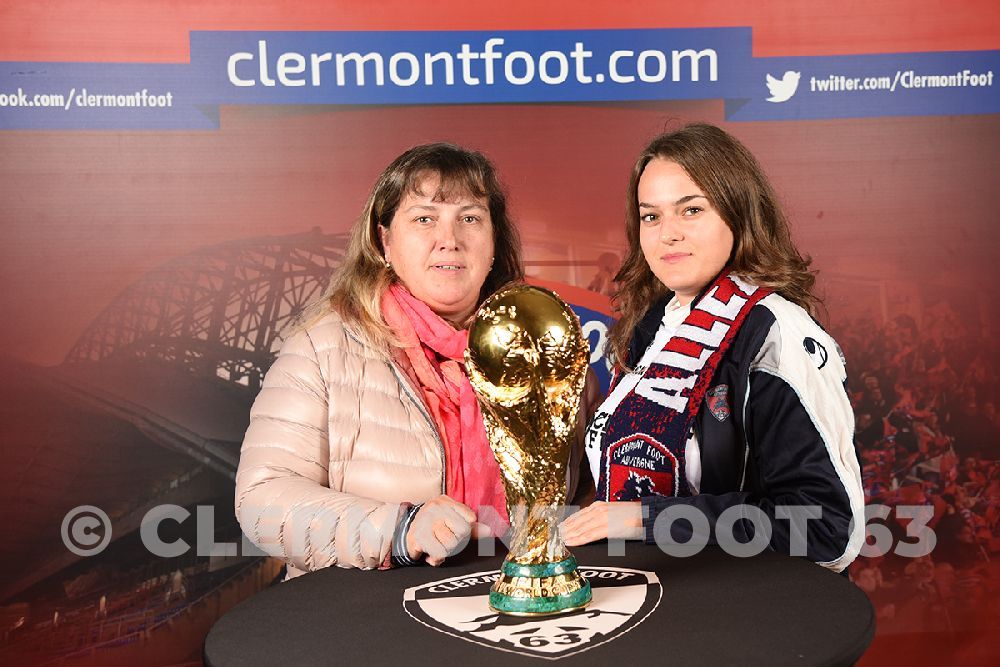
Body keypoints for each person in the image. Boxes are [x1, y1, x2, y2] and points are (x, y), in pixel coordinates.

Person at [236, 143, 596, 577]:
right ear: (385, 241)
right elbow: (262, 500)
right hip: (371, 624)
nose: (450, 240)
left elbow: (587, 494)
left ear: (494, 242)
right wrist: (399, 529)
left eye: (470, 218)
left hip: (518, 618)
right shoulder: (323, 347)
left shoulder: (543, 344)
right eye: (424, 218)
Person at [561, 124, 865, 572]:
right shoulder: (650, 325)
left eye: (691, 210)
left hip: (734, 615)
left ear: (737, 213)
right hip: (644, 602)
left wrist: (649, 519)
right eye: (651, 216)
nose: (668, 234)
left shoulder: (777, 334)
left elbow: (826, 529)